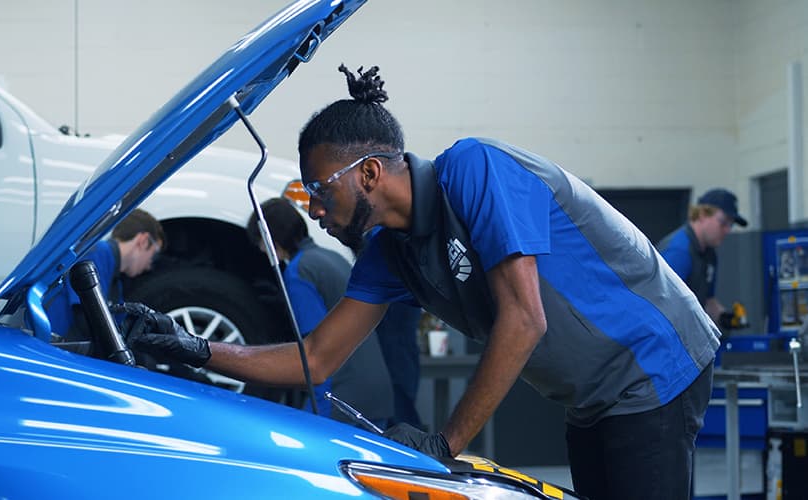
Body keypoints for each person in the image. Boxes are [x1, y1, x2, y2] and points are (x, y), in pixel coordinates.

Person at [125, 65, 720, 500]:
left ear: (371, 173)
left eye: (319, 189)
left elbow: (525, 318)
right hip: (590, 396)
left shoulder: (477, 168)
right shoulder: (390, 252)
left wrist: (446, 442)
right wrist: (196, 347)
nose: (312, 209)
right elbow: (316, 357)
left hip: (653, 364)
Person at [246, 197, 393, 428]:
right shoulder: (331, 257)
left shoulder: (299, 272)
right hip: (377, 392)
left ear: (269, 238)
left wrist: (315, 412)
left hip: (340, 398)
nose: (260, 249)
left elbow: (314, 353)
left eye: (260, 241)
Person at [47, 208, 165, 339]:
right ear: (143, 241)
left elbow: (119, 328)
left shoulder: (114, 280)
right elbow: (88, 318)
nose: (149, 265)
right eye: (154, 256)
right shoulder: (97, 252)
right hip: (54, 345)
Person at [658, 188, 748, 329]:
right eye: (723, 223)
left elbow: (707, 301)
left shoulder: (709, 254)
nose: (727, 230)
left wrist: (725, 317)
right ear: (702, 215)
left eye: (730, 225)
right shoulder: (679, 252)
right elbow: (661, 305)